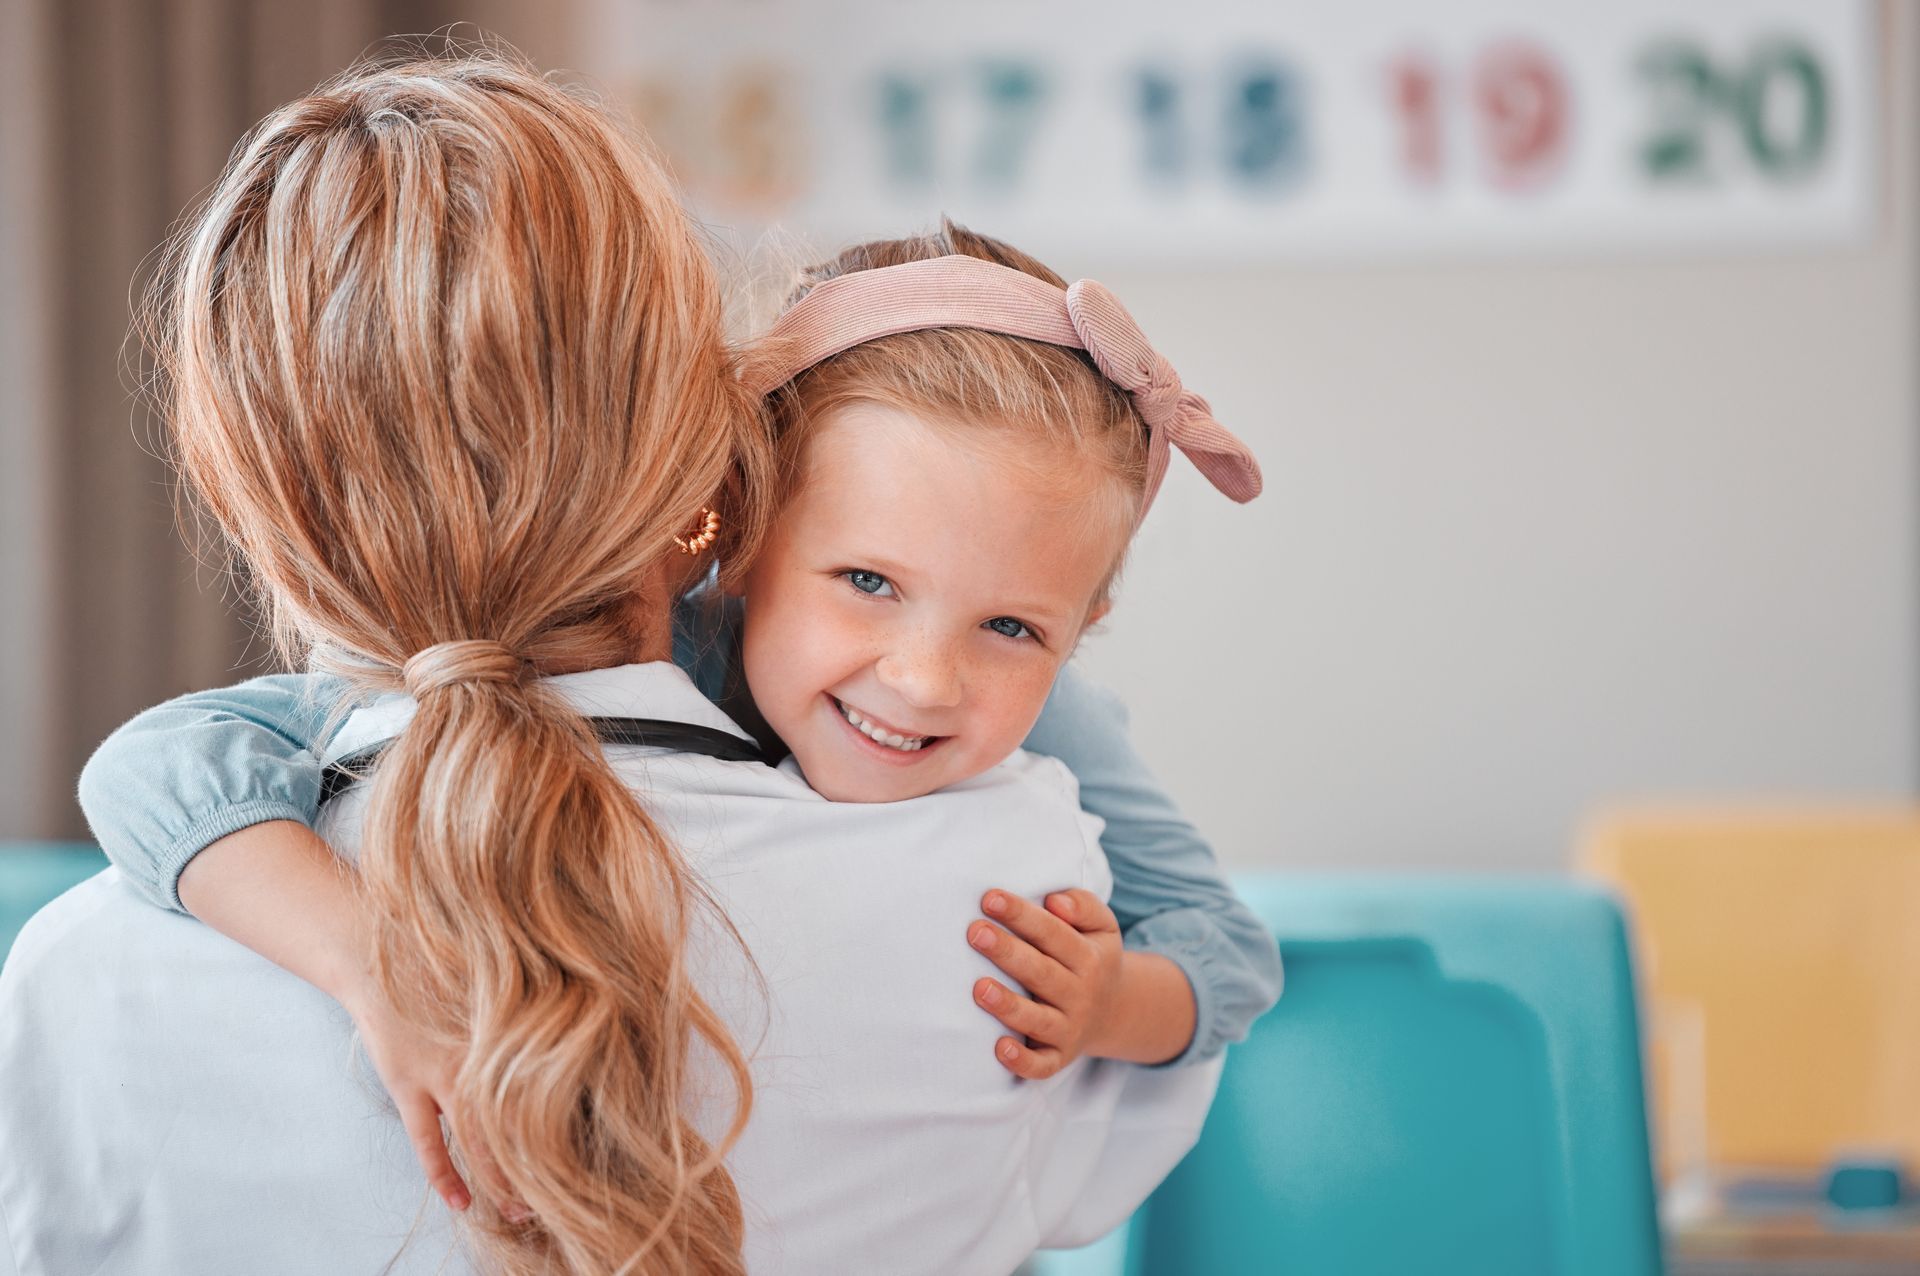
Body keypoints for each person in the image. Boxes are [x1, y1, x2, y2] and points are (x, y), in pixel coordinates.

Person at [1, 53, 1271, 1276]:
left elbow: (159, 764)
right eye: (868, 582)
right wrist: (372, 968)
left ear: (266, 509)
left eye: (1014, 627)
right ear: (731, 497)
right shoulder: (1008, 882)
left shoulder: (81, 969)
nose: (923, 679)